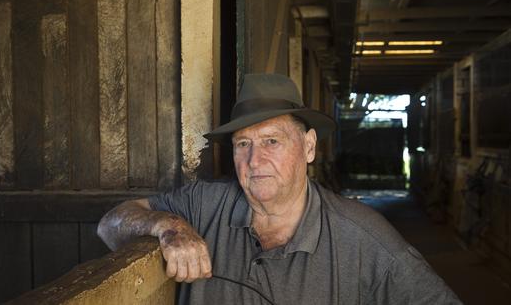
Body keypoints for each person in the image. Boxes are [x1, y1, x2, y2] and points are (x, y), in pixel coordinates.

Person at [98, 73, 461, 304]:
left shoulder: (364, 239)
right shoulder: (204, 204)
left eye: (272, 141)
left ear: (308, 147)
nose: (255, 160)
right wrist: (169, 227)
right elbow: (111, 223)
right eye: (243, 144)